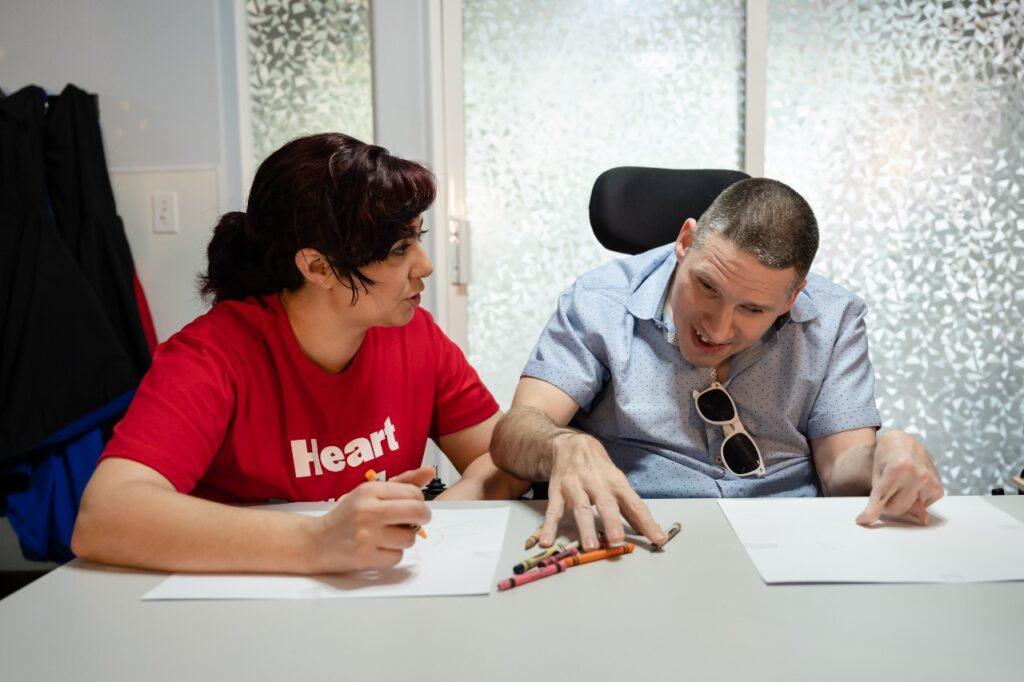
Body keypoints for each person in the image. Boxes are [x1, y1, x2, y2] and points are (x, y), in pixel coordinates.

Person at [72, 133, 527, 574]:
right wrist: (316, 542)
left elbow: (502, 458)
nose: (425, 266)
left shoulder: (414, 335)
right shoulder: (212, 355)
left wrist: (437, 515)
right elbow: (105, 516)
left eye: (418, 239)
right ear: (317, 266)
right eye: (398, 249)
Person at [490, 178, 944, 551]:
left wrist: (883, 457)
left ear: (793, 296)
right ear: (685, 243)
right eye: (707, 287)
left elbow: (839, 468)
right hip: (639, 536)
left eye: (753, 310)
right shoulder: (599, 302)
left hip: (792, 541)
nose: (719, 328)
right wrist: (561, 446)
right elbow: (516, 431)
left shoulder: (833, 318)